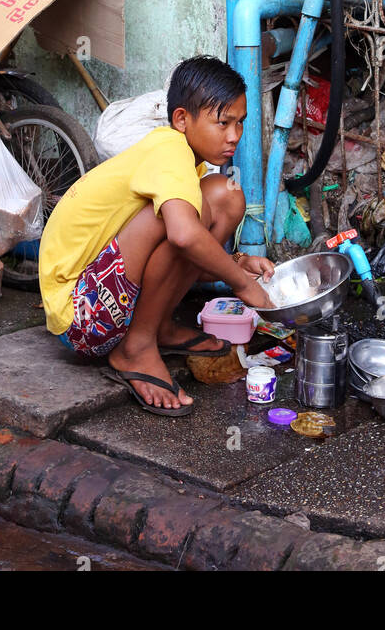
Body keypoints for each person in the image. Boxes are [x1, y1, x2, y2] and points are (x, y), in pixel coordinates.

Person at [39, 55, 274, 416]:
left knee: (224, 194)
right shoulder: (169, 150)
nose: (234, 136)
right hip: (80, 317)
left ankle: (158, 327)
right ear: (182, 119)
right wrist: (242, 283)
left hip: (104, 295)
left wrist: (238, 262)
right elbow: (182, 236)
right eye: (223, 122)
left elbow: (192, 248)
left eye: (240, 123)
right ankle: (137, 346)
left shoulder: (183, 159)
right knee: (183, 219)